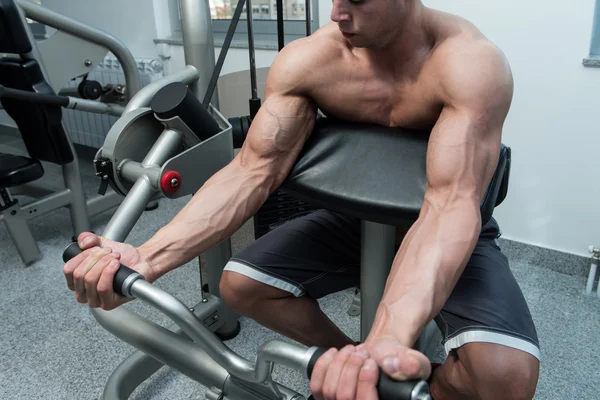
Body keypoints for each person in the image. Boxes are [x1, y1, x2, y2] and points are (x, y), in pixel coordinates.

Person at [63, 1, 541, 399]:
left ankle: (398, 376)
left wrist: (389, 339)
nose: (337, 12)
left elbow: (449, 207)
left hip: (445, 226)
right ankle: (350, 362)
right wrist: (146, 256)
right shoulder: (311, 61)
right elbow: (253, 171)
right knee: (241, 286)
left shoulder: (469, 65)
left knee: (504, 377)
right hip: (349, 222)